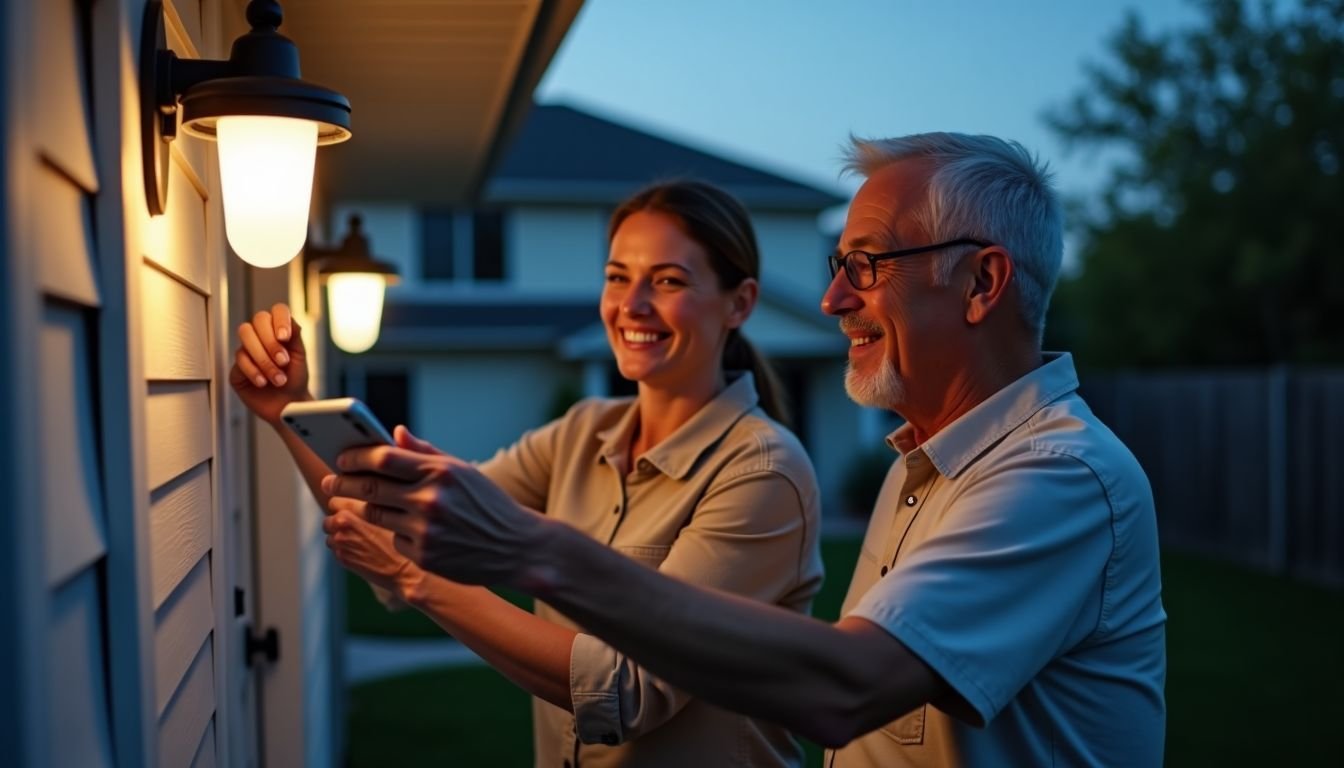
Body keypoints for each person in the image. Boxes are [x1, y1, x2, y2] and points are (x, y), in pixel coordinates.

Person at [326, 133, 1168, 767]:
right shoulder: (926, 468)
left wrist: (532, 551)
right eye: (841, 264)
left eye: (867, 264)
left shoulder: (1057, 478)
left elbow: (842, 688)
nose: (836, 296)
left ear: (982, 284)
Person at [230, 180, 825, 767]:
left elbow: (627, 692)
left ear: (740, 303)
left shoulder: (762, 474)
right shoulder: (581, 433)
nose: (632, 304)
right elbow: (403, 531)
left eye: (668, 281)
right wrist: (291, 409)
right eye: (617, 276)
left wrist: (419, 580)